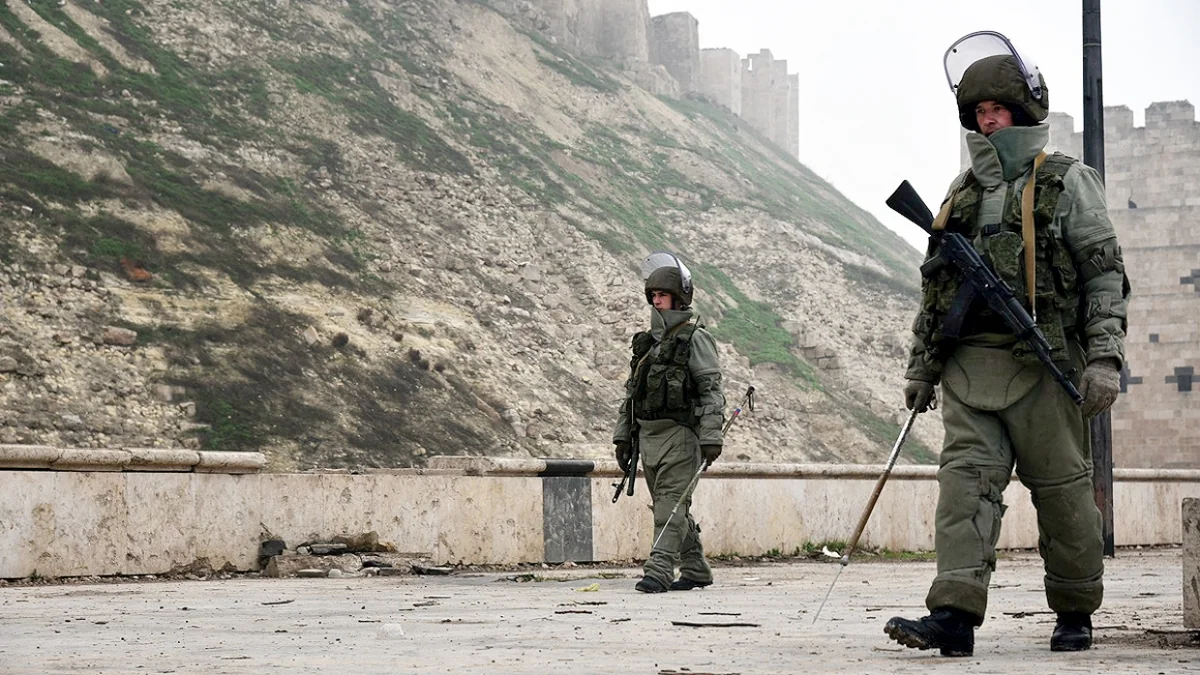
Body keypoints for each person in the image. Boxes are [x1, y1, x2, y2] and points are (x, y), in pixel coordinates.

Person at [884, 31, 1130, 656]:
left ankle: (1075, 609)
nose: (988, 121)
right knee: (963, 488)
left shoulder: (1069, 182)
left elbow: (1104, 275)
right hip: (970, 368)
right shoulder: (961, 191)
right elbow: (936, 289)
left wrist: (1104, 358)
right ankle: (953, 615)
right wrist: (922, 367)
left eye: (998, 109)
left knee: (1063, 493)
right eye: (979, 112)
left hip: (1046, 364)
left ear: (1023, 111)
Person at [612, 252, 725, 593]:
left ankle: (659, 570)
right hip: (648, 438)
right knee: (672, 507)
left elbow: (711, 390)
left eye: (662, 295)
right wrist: (623, 437)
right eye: (653, 295)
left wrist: (711, 436)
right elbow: (632, 395)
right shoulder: (649, 344)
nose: (656, 301)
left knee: (669, 506)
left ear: (678, 298)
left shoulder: (694, 338)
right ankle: (696, 569)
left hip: (680, 437)